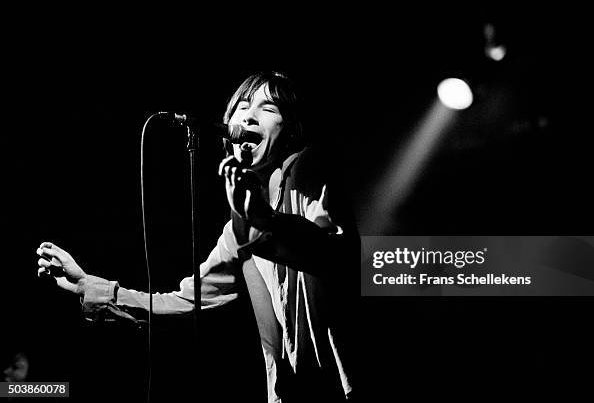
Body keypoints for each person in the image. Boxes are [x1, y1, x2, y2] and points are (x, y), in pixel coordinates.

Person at [36, 71, 360, 402]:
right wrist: (88, 285)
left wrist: (265, 220)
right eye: (243, 106)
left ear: (291, 129)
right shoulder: (240, 229)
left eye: (268, 108)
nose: (248, 115)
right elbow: (185, 303)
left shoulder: (308, 168)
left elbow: (332, 250)